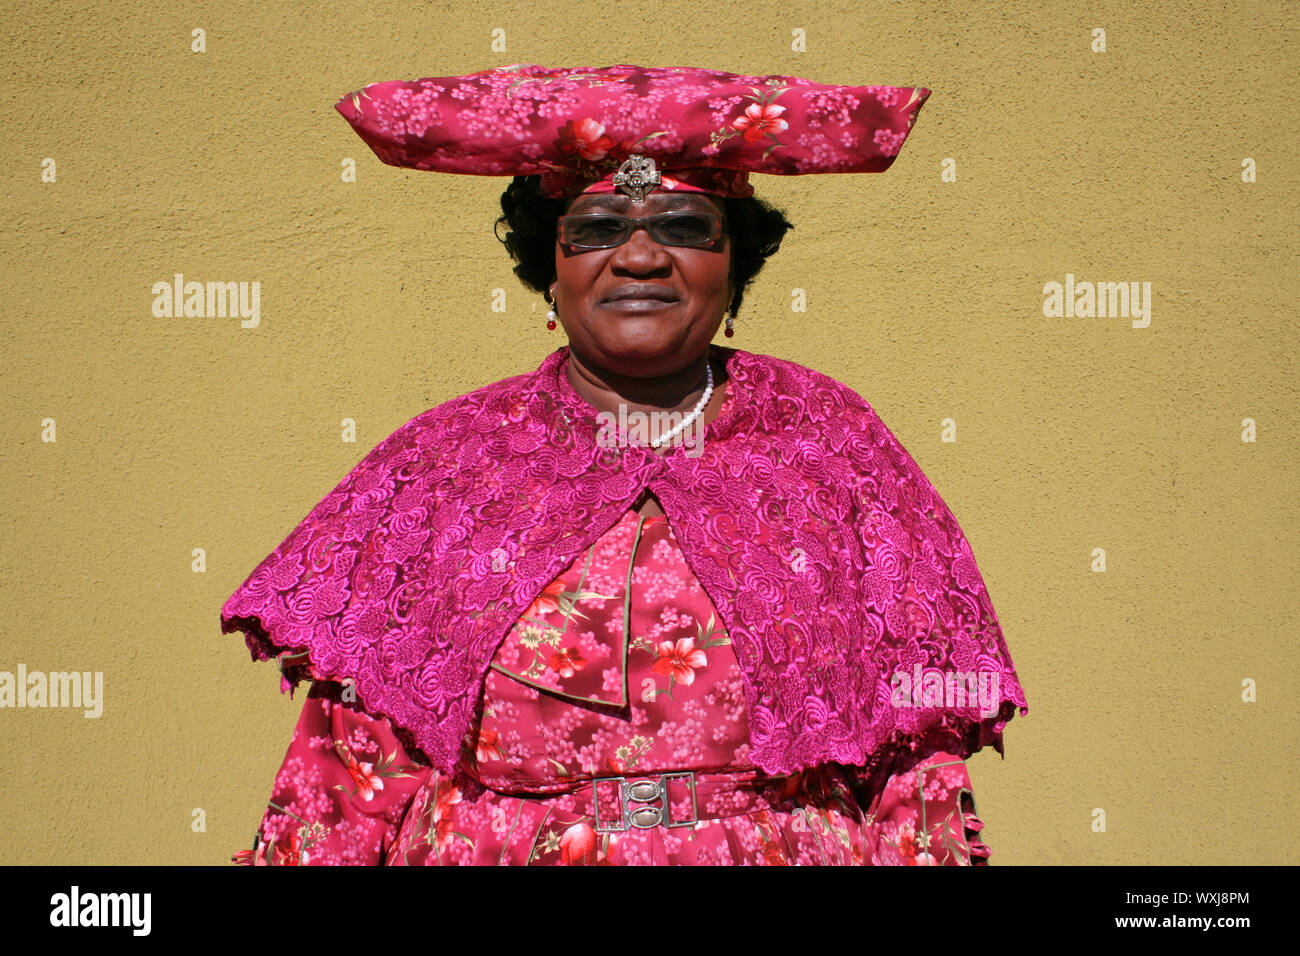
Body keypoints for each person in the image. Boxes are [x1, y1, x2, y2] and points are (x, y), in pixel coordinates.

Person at [221, 63, 1028, 866]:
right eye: (598, 229)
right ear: (552, 268)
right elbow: (349, 761)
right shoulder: (448, 461)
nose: (639, 257)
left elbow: (914, 754)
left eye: (683, 226)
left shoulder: (830, 442)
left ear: (733, 264)